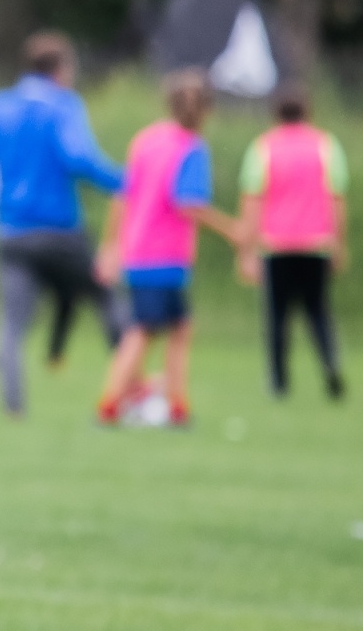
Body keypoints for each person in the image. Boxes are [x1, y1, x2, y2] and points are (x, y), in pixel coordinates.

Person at [0, 30, 128, 416]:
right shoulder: (63, 106)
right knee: (106, 299)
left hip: (13, 233)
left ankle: (13, 408)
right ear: (61, 69)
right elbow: (78, 159)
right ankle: (129, 390)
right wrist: (126, 182)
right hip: (60, 231)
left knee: (13, 325)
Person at [93, 69, 244, 427]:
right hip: (164, 254)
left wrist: (111, 245)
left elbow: (122, 196)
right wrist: (231, 229)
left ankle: (177, 407)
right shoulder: (192, 148)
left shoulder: (146, 140)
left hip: (138, 249)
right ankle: (109, 405)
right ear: (207, 109)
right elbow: (187, 202)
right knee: (143, 330)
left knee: (179, 327)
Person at [238, 83, 349, 400]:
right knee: (318, 311)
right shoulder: (326, 146)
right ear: (307, 110)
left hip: (276, 244)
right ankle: (330, 364)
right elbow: (336, 199)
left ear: (275, 113)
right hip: (317, 243)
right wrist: (339, 244)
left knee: (277, 316)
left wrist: (247, 248)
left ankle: (278, 381)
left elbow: (253, 200)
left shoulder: (264, 148)